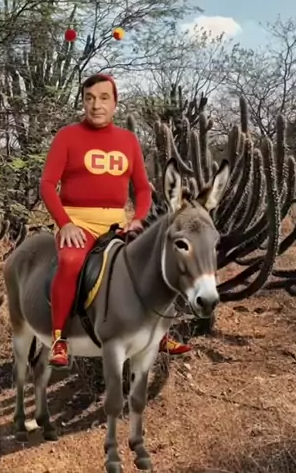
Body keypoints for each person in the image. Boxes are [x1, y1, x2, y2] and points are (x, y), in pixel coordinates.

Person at [40, 73, 192, 367]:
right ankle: (59, 338)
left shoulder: (128, 140)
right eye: (89, 98)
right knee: (70, 262)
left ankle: (159, 333)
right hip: (78, 223)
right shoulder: (67, 136)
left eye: (103, 98)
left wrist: (138, 219)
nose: (96, 105)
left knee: (155, 261)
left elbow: (143, 188)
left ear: (115, 102)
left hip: (117, 224)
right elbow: (47, 185)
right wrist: (65, 223)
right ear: (83, 102)